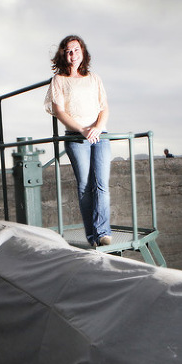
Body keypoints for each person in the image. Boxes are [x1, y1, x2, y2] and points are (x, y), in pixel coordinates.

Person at [44, 35, 112, 247]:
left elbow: (104, 108)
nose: (73, 55)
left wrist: (97, 128)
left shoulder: (94, 78)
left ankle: (103, 232)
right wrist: (83, 130)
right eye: (69, 51)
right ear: (64, 55)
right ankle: (93, 236)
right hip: (76, 137)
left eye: (76, 50)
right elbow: (60, 112)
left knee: (101, 184)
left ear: (83, 52)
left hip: (100, 137)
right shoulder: (59, 80)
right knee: (85, 185)